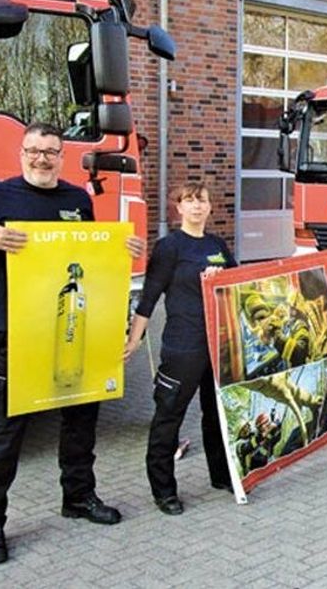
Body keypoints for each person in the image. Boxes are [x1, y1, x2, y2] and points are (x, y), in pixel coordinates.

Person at [0, 122, 144, 566]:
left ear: (61, 156)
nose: (41, 158)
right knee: (3, 432)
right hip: (17, 335)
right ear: (22, 153)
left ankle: (78, 497)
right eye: (34, 151)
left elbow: (87, 258)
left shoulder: (77, 200)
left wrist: (120, 249)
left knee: (80, 421)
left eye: (50, 152)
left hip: (75, 330)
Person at [124, 182, 236, 515]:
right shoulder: (170, 246)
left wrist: (221, 277)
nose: (197, 206)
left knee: (216, 416)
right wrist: (134, 339)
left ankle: (221, 475)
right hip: (182, 347)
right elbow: (149, 296)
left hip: (216, 344)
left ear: (210, 207)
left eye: (202, 200)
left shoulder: (218, 245)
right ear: (179, 208)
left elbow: (238, 284)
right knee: (168, 417)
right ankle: (163, 490)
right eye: (189, 201)